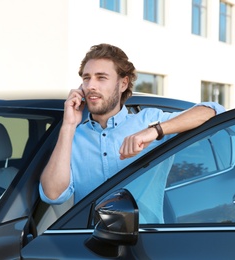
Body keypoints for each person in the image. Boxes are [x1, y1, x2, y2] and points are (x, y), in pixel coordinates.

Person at [39, 43, 225, 207]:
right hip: (88, 243)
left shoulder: (148, 120)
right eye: (86, 78)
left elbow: (214, 111)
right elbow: (53, 196)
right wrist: (68, 125)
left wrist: (154, 131)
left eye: (101, 77)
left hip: (144, 242)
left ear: (123, 84)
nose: (90, 86)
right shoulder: (73, 137)